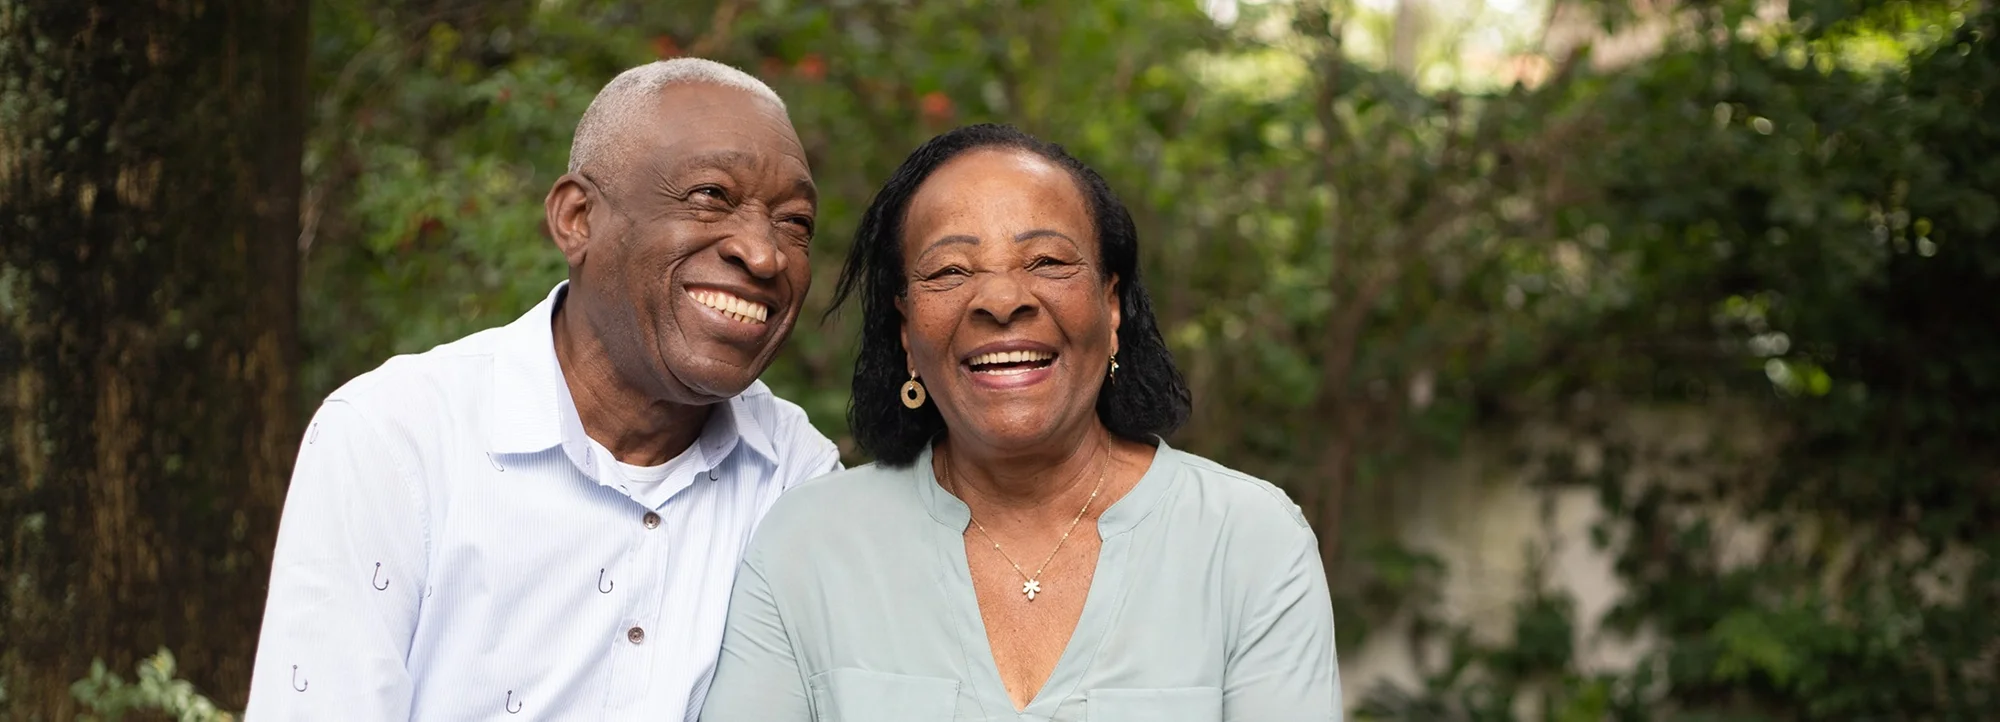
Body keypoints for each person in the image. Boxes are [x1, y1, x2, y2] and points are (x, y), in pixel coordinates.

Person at [245, 58, 841, 719]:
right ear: (578, 218)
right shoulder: (397, 438)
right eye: (710, 196)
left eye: (794, 223)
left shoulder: (794, 477)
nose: (764, 255)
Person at [700, 124, 1342, 722]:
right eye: (950, 271)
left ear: (1111, 305)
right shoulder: (809, 544)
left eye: (1046, 263)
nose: (1003, 301)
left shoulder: (1249, 543)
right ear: (906, 331)